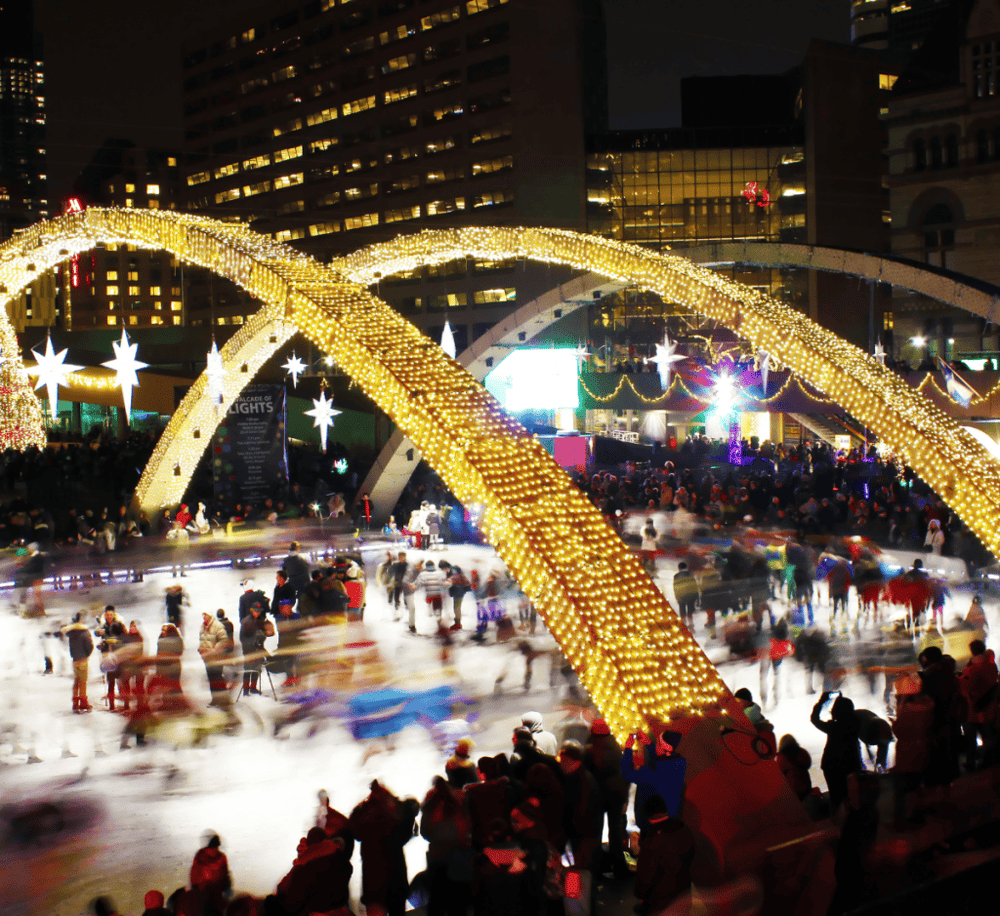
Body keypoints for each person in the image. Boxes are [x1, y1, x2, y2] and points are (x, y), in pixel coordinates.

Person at [349, 780, 420, 916]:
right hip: (396, 878)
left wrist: (365, 805)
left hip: (373, 880)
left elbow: (354, 829)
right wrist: (393, 800)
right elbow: (405, 830)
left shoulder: (365, 814)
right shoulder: (396, 814)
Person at [268, 825, 353, 916]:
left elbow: (284, 888)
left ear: (309, 843)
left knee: (271, 903)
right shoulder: (343, 862)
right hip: (335, 905)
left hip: (310, 908)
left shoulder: (306, 862)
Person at [633, 795, 695, 915]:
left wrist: (636, 853)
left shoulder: (652, 845)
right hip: (685, 900)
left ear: (648, 816)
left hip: (660, 907)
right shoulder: (684, 831)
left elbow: (641, 889)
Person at [421, 775, 473, 916]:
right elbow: (468, 824)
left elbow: (425, 832)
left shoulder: (431, 801)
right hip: (460, 853)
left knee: (437, 898)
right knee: (458, 900)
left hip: (438, 855)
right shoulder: (461, 797)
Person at [810, 691, 862, 815]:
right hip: (851, 765)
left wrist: (821, 702)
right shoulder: (856, 724)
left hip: (832, 766)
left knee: (836, 798)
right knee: (851, 796)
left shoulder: (833, 727)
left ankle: (839, 823)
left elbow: (814, 719)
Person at [190, 832, 232, 916]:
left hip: (201, 891)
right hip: (217, 894)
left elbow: (194, 871)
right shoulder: (222, 857)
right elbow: (225, 874)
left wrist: (193, 887)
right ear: (218, 844)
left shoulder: (200, 854)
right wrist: (227, 887)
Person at [96, 606, 127, 711]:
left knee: (122, 680)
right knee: (110, 682)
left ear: (114, 614)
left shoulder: (119, 625)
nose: (109, 616)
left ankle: (126, 703)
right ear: (105, 615)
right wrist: (102, 644)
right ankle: (112, 705)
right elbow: (98, 634)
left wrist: (109, 640)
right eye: (107, 615)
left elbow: (124, 640)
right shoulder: (103, 626)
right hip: (107, 657)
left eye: (111, 614)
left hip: (118, 656)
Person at [64, 612, 94, 713]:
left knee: (77, 681)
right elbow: (90, 646)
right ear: (81, 620)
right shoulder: (84, 632)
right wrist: (87, 654)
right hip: (83, 660)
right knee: (83, 682)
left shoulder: (71, 633)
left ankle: (75, 703)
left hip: (75, 660)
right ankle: (83, 703)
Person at [198, 611, 230, 705]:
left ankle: (224, 699)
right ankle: (215, 699)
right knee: (211, 679)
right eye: (203, 615)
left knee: (217, 678)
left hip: (216, 658)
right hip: (207, 658)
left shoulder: (218, 626)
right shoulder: (203, 627)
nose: (204, 617)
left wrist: (214, 650)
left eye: (206, 615)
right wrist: (200, 649)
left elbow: (224, 640)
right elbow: (202, 640)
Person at [776, 734, 812, 801]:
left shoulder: (781, 757)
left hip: (793, 789)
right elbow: (808, 764)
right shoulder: (802, 751)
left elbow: (779, 774)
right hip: (806, 786)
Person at [672, 562, 698, 628]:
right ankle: (691, 624)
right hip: (691, 594)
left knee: (682, 611)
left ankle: (684, 625)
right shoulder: (691, 574)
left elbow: (675, 587)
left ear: (679, 568)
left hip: (681, 595)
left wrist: (677, 597)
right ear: (686, 567)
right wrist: (696, 595)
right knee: (690, 611)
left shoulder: (676, 576)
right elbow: (694, 585)